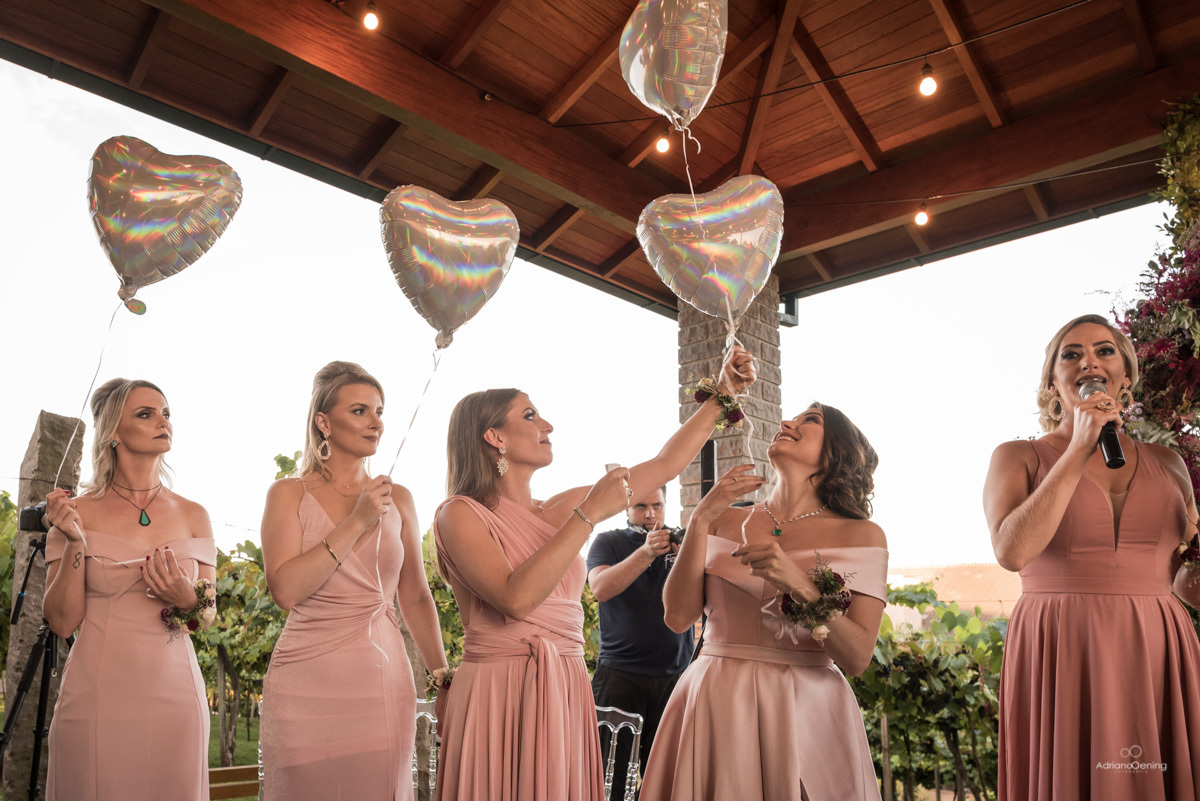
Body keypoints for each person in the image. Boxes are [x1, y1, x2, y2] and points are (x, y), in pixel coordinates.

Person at [432, 346, 755, 801]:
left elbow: (663, 466)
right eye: (530, 415)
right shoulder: (459, 514)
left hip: (565, 684)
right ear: (494, 437)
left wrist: (721, 394)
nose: (547, 425)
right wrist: (588, 515)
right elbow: (514, 598)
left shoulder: (558, 509)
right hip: (498, 691)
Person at [984, 314, 1200, 801]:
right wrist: (1080, 445)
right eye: (1071, 353)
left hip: (1158, 645)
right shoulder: (1016, 456)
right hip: (1062, 642)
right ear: (1052, 382)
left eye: (1104, 351)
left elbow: (1186, 580)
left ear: (1124, 374)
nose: (1089, 361)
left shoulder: (1169, 465)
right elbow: (1012, 551)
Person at [640, 403, 888, 801]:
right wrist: (701, 517)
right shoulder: (723, 519)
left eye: (811, 420)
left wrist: (799, 585)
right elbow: (677, 617)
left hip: (806, 710)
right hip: (716, 699)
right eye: (792, 417)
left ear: (836, 453)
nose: (788, 423)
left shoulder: (862, 535)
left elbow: (857, 657)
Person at [259, 361, 449, 801]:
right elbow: (286, 590)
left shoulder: (398, 497)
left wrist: (442, 677)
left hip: (381, 683)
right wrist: (358, 520)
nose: (376, 422)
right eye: (361, 410)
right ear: (323, 422)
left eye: (379, 411)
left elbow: (416, 595)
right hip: (304, 681)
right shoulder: (288, 494)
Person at [42, 378, 217, 801]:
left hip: (177, 698)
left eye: (166, 413)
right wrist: (74, 543)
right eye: (146, 414)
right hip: (98, 696)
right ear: (113, 433)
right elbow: (63, 622)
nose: (163, 421)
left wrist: (186, 599)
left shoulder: (194, 514)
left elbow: (206, 616)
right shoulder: (75, 511)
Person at [587, 486, 693, 799]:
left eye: (657, 505)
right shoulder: (608, 541)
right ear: (626, 508)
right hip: (620, 677)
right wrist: (646, 552)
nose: (650, 514)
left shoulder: (683, 543)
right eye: (640, 506)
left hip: (675, 679)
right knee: (612, 780)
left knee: (670, 782)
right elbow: (600, 588)